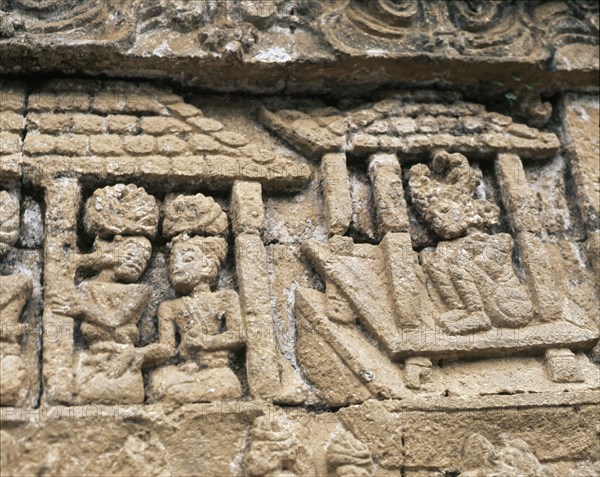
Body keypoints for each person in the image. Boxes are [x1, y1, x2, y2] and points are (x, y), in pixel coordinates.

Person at [149, 235, 244, 403]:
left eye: (187, 259)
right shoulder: (169, 307)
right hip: (187, 369)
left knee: (228, 386)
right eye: (172, 263)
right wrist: (139, 355)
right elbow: (167, 347)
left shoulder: (226, 298)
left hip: (217, 370)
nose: (177, 266)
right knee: (159, 383)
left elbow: (238, 336)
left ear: (207, 265)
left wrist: (204, 342)